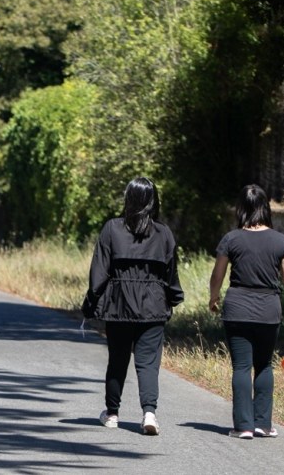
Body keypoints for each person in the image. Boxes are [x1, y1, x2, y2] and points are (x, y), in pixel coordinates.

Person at [81, 177, 183, 436]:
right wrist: (173, 296)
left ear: (128, 199)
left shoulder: (112, 229)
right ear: (153, 201)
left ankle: (112, 413)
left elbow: (99, 272)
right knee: (148, 362)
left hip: (119, 305)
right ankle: (149, 412)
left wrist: (92, 301)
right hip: (153, 305)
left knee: (118, 359)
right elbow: (170, 272)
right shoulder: (163, 233)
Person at [209, 184, 284, 440]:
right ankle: (263, 423)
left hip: (237, 308)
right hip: (268, 311)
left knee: (241, 367)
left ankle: (243, 426)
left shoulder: (231, 239)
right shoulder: (281, 241)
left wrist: (213, 296)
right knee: (264, 365)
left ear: (241, 208)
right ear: (265, 207)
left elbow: (218, 274)